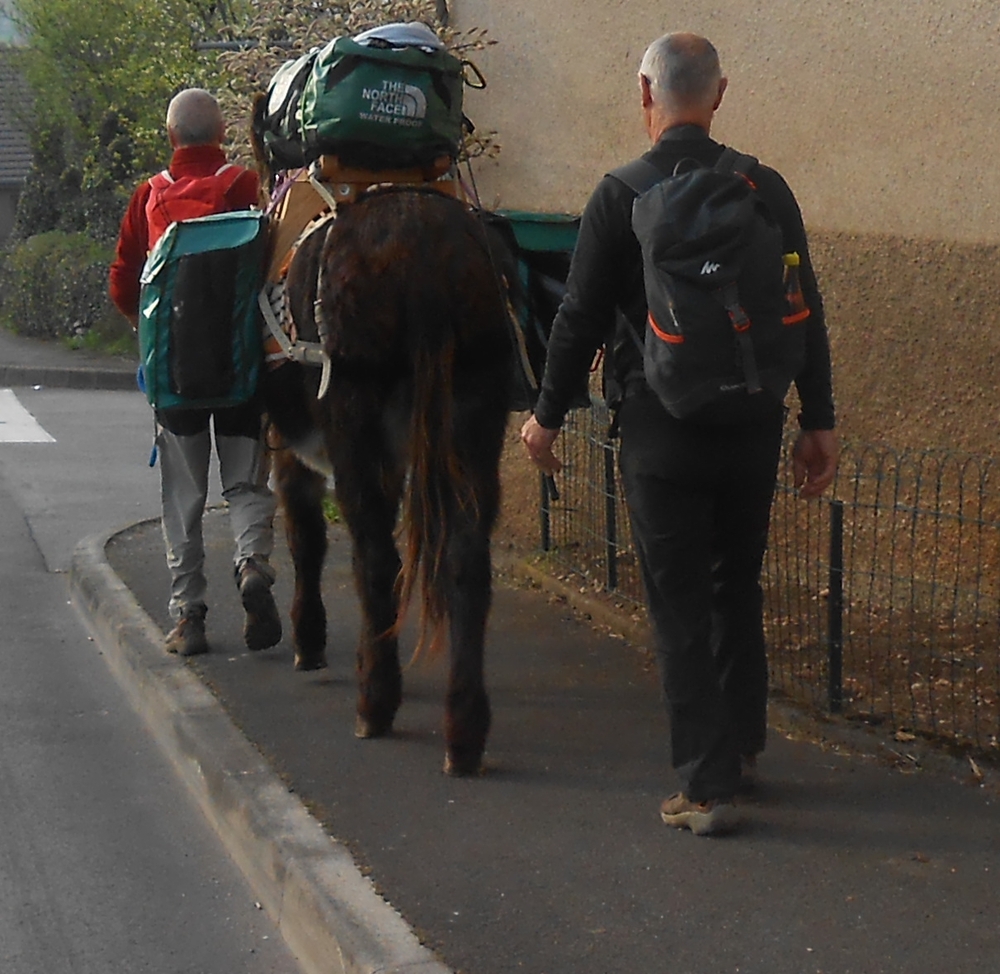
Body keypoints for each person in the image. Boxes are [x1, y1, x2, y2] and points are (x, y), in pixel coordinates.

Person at [521, 33, 838, 835]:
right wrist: (819, 422)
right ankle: (744, 751)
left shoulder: (618, 194)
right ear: (720, 95)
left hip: (660, 429)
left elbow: (578, 320)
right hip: (754, 423)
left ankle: (704, 786)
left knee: (678, 601)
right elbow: (808, 312)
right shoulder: (765, 187)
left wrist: (545, 416)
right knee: (738, 584)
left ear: (644, 93)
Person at [109, 88, 282, 658]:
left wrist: (158, 333)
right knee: (247, 481)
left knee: (183, 494)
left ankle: (189, 617)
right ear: (224, 135)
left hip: (174, 378)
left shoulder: (149, 197)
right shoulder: (247, 188)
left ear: (170, 137)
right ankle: (253, 563)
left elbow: (122, 282)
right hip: (238, 369)